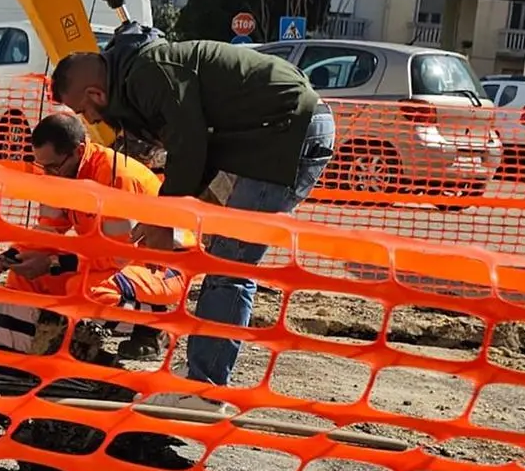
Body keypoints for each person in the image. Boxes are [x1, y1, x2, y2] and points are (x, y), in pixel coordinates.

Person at [50, 32, 334, 390]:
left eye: (83, 112)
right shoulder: (142, 73)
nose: (89, 121)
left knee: (228, 267)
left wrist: (164, 222)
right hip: (274, 134)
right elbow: (199, 151)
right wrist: (172, 219)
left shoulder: (146, 75)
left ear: (96, 94)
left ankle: (204, 387)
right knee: (223, 259)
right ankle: (203, 378)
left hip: (287, 135)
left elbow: (190, 145)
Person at [0, 113, 189, 361]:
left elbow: (117, 255)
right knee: (23, 278)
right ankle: (9, 364)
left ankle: (153, 327)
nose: (48, 174)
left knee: (82, 290)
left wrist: (53, 264)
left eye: (53, 167)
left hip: (166, 266)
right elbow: (49, 231)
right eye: (42, 167)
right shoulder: (62, 175)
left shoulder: (116, 177)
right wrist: (9, 257)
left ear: (79, 151)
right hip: (113, 259)